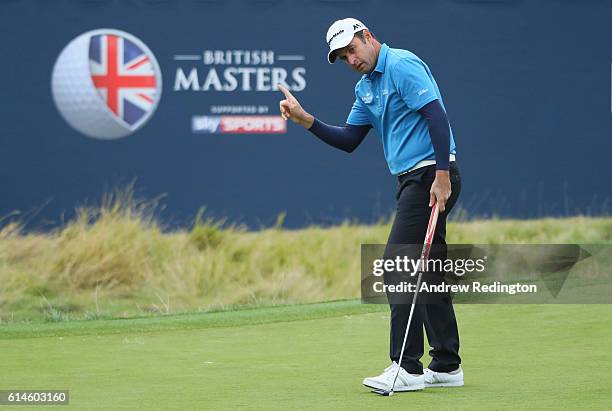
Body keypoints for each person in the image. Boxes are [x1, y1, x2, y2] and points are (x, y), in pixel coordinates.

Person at [278, 18, 464, 392]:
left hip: (430, 177)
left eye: (352, 49)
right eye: (343, 57)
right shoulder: (366, 88)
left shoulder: (401, 65)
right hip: (412, 180)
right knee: (427, 273)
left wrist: (442, 175)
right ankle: (445, 364)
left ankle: (406, 368)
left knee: (398, 265)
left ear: (368, 37)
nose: (351, 59)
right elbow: (348, 139)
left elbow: (436, 116)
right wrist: (305, 120)